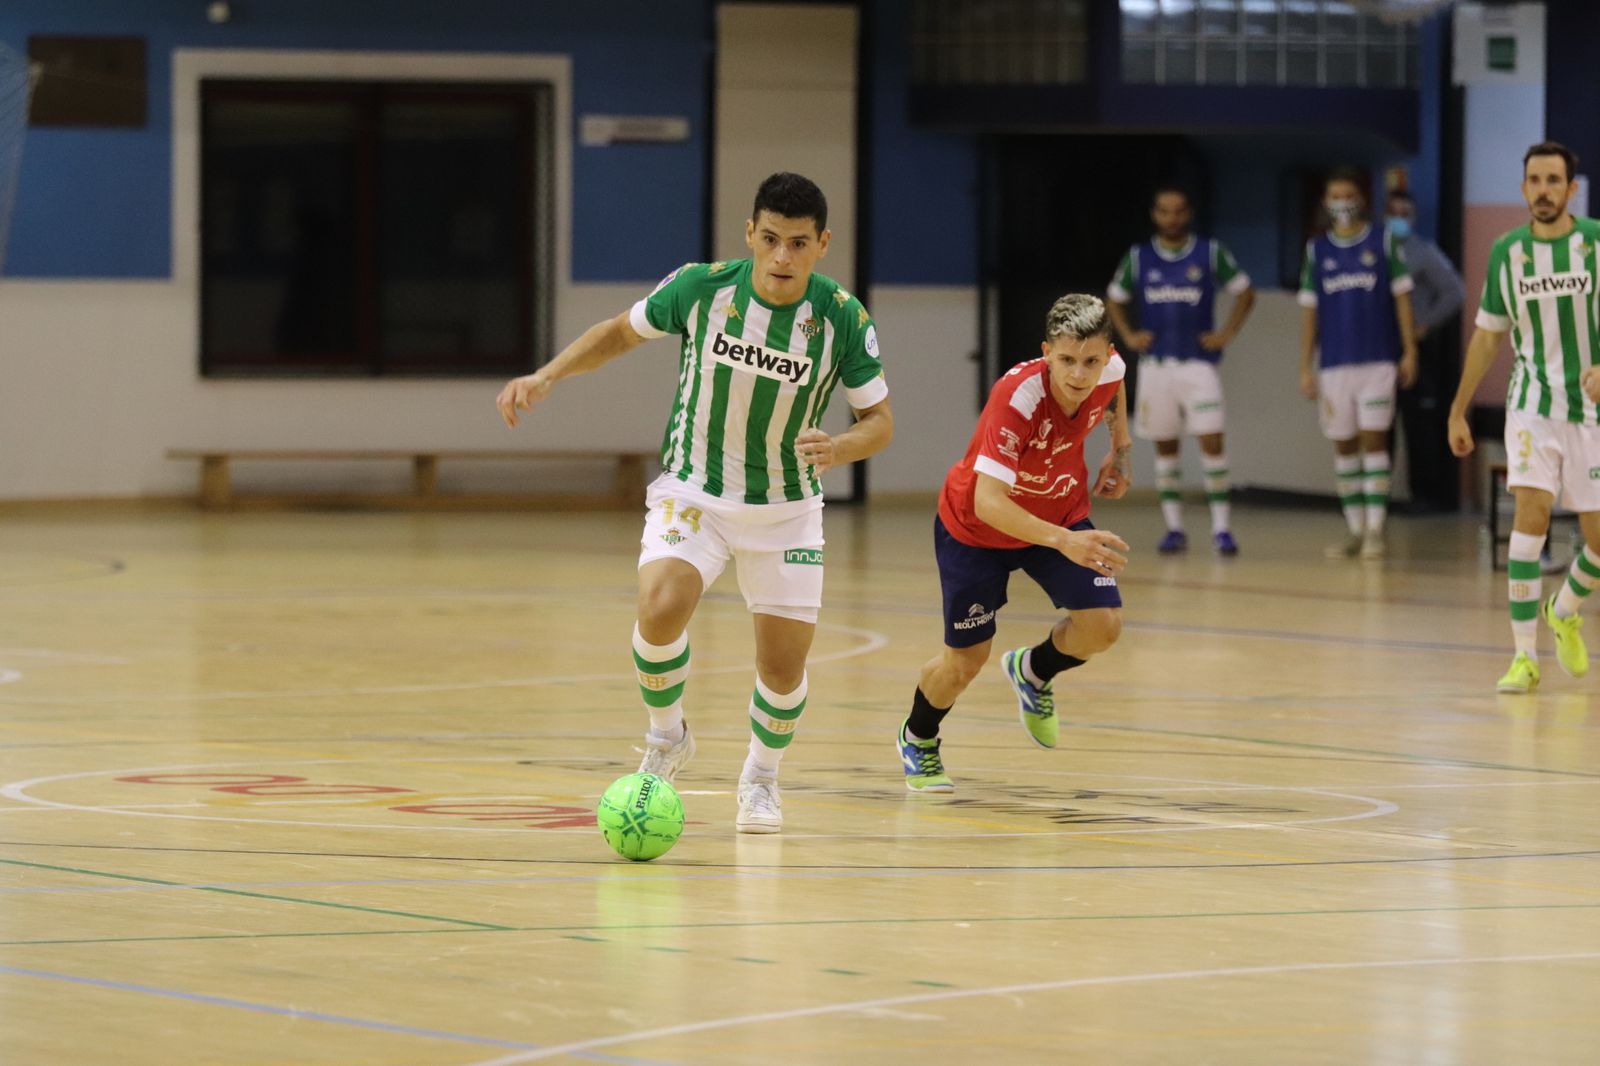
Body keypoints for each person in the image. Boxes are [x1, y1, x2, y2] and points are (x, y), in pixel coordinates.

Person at [496, 172, 893, 830]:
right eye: (771, 239)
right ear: (750, 233)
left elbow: (878, 421)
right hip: (695, 490)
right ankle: (666, 737)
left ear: (822, 244)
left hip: (786, 508)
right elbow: (618, 333)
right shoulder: (701, 288)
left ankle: (761, 777)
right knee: (659, 608)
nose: (782, 256)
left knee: (782, 666)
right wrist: (548, 374)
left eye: (798, 243)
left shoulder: (842, 318)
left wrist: (842, 446)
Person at [896, 294, 1131, 792]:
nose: (1079, 374)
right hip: (976, 530)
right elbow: (988, 502)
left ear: (1106, 355)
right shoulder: (1018, 397)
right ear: (1047, 353)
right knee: (965, 662)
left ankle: (1033, 671)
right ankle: (918, 736)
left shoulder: (1109, 370)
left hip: (1058, 512)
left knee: (1103, 626)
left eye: (1091, 361)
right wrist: (1064, 542)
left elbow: (1115, 387)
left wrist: (1120, 447)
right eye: (1067, 360)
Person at [1447, 141, 1600, 694]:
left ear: (1571, 189)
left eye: (1553, 180)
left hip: (1591, 412)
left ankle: (1564, 610)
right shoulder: (1507, 253)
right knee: (1530, 514)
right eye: (1534, 180)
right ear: (1523, 188)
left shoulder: (1596, 243)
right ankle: (1523, 657)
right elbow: (1488, 336)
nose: (1543, 190)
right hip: (1532, 404)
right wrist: (1458, 410)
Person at [1107, 185, 1255, 555]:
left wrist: (1226, 334)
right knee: (1166, 448)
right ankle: (1174, 528)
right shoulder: (1139, 257)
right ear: (1154, 214)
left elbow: (1245, 292)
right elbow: (1114, 297)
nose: (1171, 217)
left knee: (1212, 442)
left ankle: (1222, 529)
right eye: (1164, 210)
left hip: (1199, 365)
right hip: (1157, 367)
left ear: (1188, 213)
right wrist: (1129, 335)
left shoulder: (1210, 252)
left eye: (1178, 210)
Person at [1298, 167, 1419, 560]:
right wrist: (1305, 365)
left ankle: (1375, 530)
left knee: (1375, 441)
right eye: (1335, 196)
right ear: (1325, 202)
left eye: (1348, 195)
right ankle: (1354, 529)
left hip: (1378, 361)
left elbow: (1402, 298)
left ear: (1361, 198)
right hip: (1334, 364)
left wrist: (1409, 350)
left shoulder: (1383, 242)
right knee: (1344, 446)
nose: (1342, 203)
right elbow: (1310, 313)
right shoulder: (1317, 250)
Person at [1384, 190, 1466, 511]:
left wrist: (1426, 324)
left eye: (1404, 213)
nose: (1398, 219)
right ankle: (1379, 494)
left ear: (1413, 218)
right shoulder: (1376, 250)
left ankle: (1424, 495)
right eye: (1393, 212)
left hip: (1413, 346)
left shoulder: (1423, 252)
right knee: (1380, 423)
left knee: (1417, 423)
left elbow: (1455, 291)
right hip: (1379, 346)